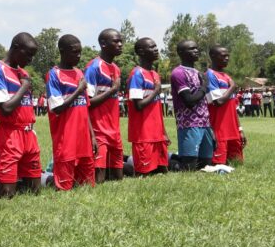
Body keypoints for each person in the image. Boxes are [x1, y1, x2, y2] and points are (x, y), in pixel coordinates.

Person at [0, 33, 41, 197]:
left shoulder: (23, 73)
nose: (30, 59)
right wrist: (24, 87)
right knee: (7, 194)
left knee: (35, 190)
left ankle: (44, 178)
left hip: (29, 134)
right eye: (28, 54)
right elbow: (5, 109)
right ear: (16, 48)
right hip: (10, 134)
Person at [46, 34, 97, 190]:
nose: (79, 55)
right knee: (64, 187)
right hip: (65, 137)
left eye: (80, 52)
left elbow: (85, 108)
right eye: (75, 52)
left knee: (88, 186)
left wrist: (92, 136)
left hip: (84, 139)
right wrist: (78, 90)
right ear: (62, 51)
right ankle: (46, 179)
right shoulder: (53, 75)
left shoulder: (79, 73)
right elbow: (57, 108)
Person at [84, 28, 124, 183]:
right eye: (116, 41)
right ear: (103, 44)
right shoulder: (93, 67)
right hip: (98, 130)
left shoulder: (116, 68)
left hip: (114, 130)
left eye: (121, 41)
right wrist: (112, 90)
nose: (120, 44)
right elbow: (87, 103)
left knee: (118, 177)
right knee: (98, 179)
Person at [127, 38, 170, 175]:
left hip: (158, 135)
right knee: (144, 174)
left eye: (156, 46)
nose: (156, 49)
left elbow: (157, 108)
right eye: (152, 47)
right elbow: (138, 105)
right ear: (141, 52)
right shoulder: (136, 74)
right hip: (143, 135)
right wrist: (156, 91)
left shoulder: (155, 74)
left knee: (163, 171)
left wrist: (164, 132)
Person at [170, 39, 214, 171]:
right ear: (181, 52)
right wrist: (204, 86)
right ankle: (166, 161)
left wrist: (210, 127)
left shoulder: (198, 73)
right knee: (189, 167)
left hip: (205, 123)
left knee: (205, 164)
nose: (196, 51)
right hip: (189, 123)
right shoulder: (178, 73)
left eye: (196, 48)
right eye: (192, 49)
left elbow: (204, 101)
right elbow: (189, 101)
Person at [206, 46, 246, 165]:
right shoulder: (210, 75)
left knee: (237, 163)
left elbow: (232, 108)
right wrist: (232, 87)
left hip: (233, 130)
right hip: (219, 130)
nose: (227, 58)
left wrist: (240, 130)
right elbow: (218, 102)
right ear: (213, 56)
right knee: (219, 165)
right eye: (223, 56)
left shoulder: (227, 76)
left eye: (228, 56)